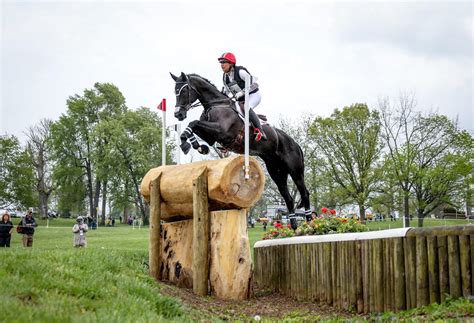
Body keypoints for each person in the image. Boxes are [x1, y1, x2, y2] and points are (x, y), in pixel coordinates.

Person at [218, 52, 267, 141]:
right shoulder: (225, 77)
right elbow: (226, 91)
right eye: (221, 63)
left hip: (253, 95)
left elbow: (255, 84)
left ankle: (261, 131)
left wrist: (242, 92)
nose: (222, 65)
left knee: (246, 107)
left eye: (224, 62)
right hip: (241, 100)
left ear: (231, 63)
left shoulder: (240, 72)